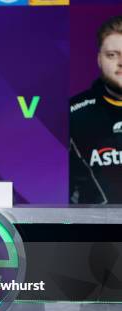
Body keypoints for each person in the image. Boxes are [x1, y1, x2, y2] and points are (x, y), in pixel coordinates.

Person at [69, 15, 122, 204]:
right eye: (112, 55)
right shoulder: (72, 114)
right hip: (93, 231)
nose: (121, 62)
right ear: (99, 59)